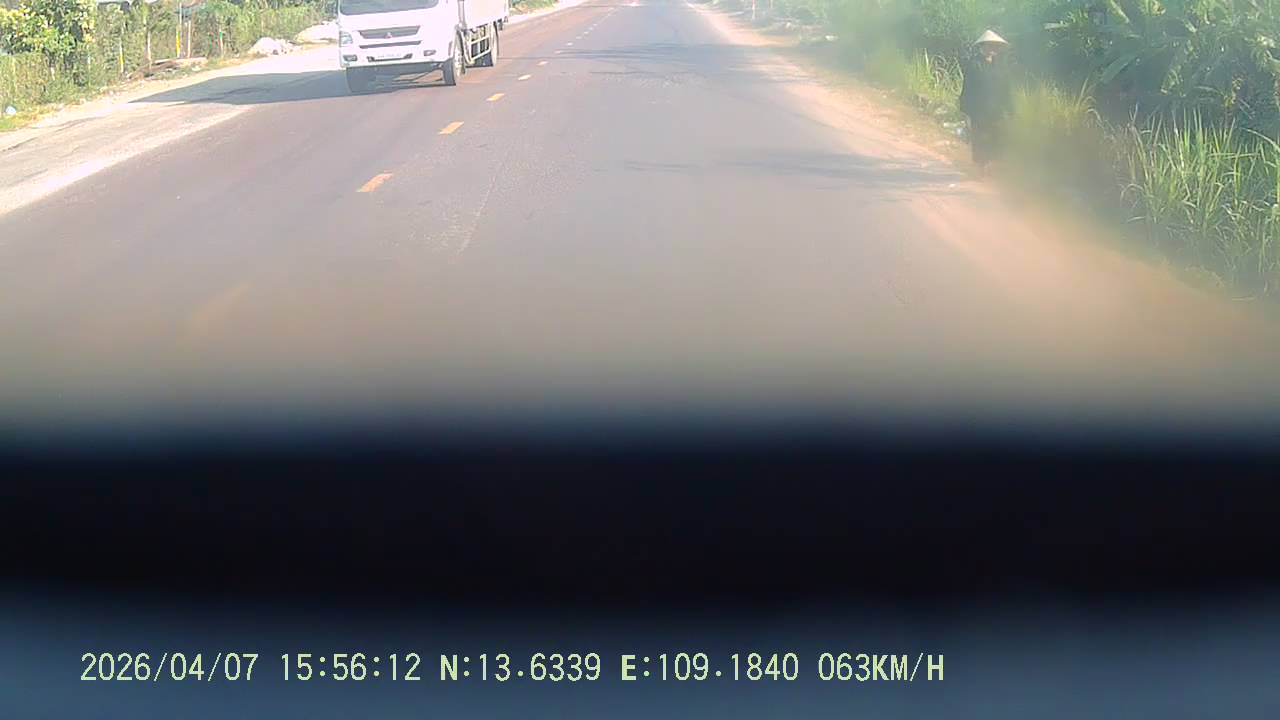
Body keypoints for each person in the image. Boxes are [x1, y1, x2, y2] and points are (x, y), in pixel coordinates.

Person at [959, 30, 1013, 177]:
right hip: (979, 110)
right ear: (982, 47)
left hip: (996, 109)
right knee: (980, 139)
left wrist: (1010, 109)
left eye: (994, 46)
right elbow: (968, 88)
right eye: (989, 46)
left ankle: (991, 168)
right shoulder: (974, 65)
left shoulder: (1000, 66)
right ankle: (980, 169)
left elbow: (1006, 89)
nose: (992, 49)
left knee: (996, 138)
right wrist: (966, 111)